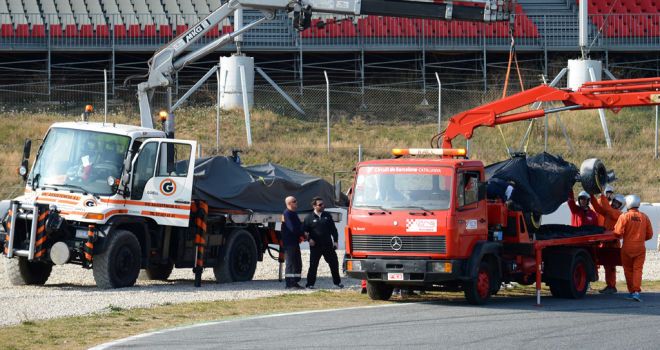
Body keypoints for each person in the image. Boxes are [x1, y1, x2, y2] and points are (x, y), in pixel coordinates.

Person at [613, 195, 654, 302]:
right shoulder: (644, 217)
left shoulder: (624, 216)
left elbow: (617, 232)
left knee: (628, 270)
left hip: (627, 247)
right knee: (637, 270)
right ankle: (636, 292)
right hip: (640, 247)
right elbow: (650, 235)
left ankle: (631, 291)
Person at [303, 197, 343, 289]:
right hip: (315, 246)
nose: (322, 206)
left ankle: (337, 283)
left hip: (328, 245)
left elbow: (333, 230)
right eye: (320, 205)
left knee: (334, 263)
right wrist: (309, 240)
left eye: (323, 204)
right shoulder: (309, 218)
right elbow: (304, 232)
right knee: (313, 265)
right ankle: (310, 284)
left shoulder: (327, 216)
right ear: (314, 206)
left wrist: (336, 241)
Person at [590, 193, 625, 294]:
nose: (614, 204)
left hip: (613, 243)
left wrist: (602, 195)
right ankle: (610, 285)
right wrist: (592, 196)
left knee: (610, 266)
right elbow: (598, 208)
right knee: (606, 264)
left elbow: (606, 208)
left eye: (617, 203)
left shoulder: (618, 214)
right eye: (614, 202)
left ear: (620, 206)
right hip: (606, 242)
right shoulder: (610, 213)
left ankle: (611, 286)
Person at [282, 196, 305, 289]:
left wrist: (304, 233)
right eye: (294, 201)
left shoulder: (293, 213)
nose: (296, 202)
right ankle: (289, 283)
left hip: (295, 241)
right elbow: (292, 228)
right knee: (290, 262)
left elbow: (299, 226)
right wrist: (302, 233)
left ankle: (295, 282)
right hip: (289, 242)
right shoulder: (287, 213)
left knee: (297, 262)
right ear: (289, 203)